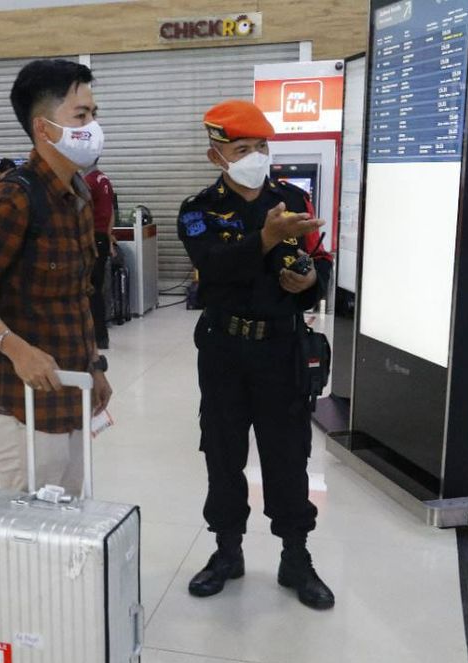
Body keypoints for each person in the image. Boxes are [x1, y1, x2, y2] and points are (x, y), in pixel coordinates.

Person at [177, 100, 335, 610]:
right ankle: (227, 551)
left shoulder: (291, 198)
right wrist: (265, 237)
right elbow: (214, 267)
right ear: (215, 155)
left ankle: (296, 557)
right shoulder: (199, 210)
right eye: (242, 148)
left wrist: (312, 282)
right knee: (223, 453)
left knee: (288, 455)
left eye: (262, 147)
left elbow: (317, 263)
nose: (256, 157)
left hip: (282, 348)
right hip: (224, 349)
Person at [0, 58, 112, 493]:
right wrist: (17, 350)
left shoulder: (76, 193)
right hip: (21, 401)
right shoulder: (13, 199)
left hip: (70, 391)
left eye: (93, 114)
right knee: (29, 531)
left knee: (72, 513)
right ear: (43, 128)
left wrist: (94, 367)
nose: (92, 126)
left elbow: (77, 297)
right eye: (81, 116)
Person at [84, 162, 117, 349]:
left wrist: (88, 242)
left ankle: (96, 337)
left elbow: (85, 214)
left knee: (90, 289)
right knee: (96, 288)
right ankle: (100, 337)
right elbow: (111, 210)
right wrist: (108, 235)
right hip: (102, 238)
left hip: (92, 239)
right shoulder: (104, 179)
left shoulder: (87, 181)